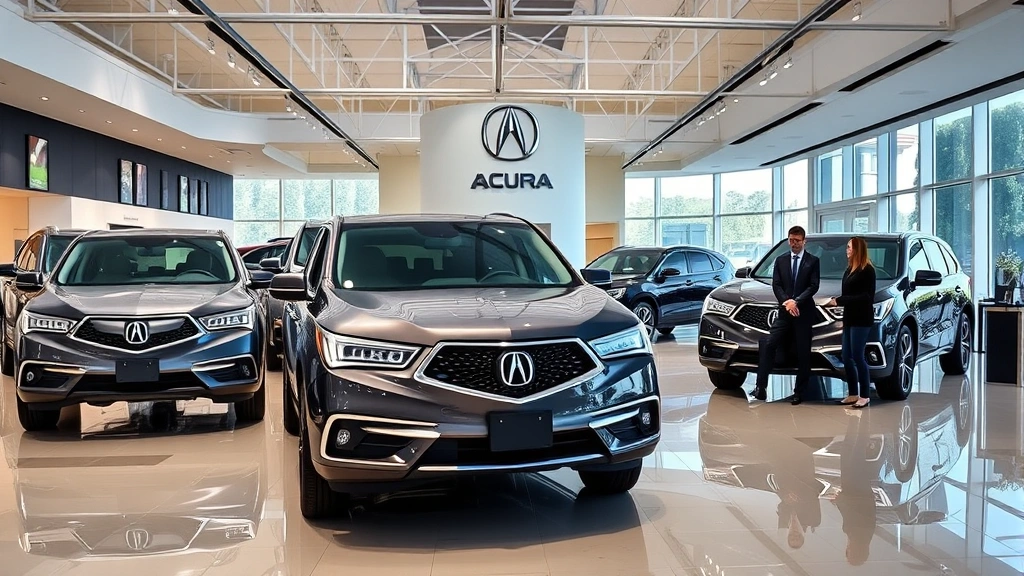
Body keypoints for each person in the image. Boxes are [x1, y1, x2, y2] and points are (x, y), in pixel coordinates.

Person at [752, 226, 820, 405]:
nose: (793, 244)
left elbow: (813, 286)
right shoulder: (780, 260)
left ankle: (799, 392)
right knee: (769, 344)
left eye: (797, 241)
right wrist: (787, 302)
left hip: (803, 312)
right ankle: (760, 387)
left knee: (803, 352)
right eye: (791, 240)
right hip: (784, 311)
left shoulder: (813, 261)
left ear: (804, 241)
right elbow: (776, 285)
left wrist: (796, 302)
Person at [828, 237, 877, 408]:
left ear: (857, 249)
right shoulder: (849, 270)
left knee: (857, 355)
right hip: (849, 318)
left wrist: (839, 301)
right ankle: (853, 393)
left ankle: (865, 395)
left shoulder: (867, 270)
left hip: (862, 319)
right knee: (846, 356)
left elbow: (866, 297)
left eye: (849, 247)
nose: (846, 250)